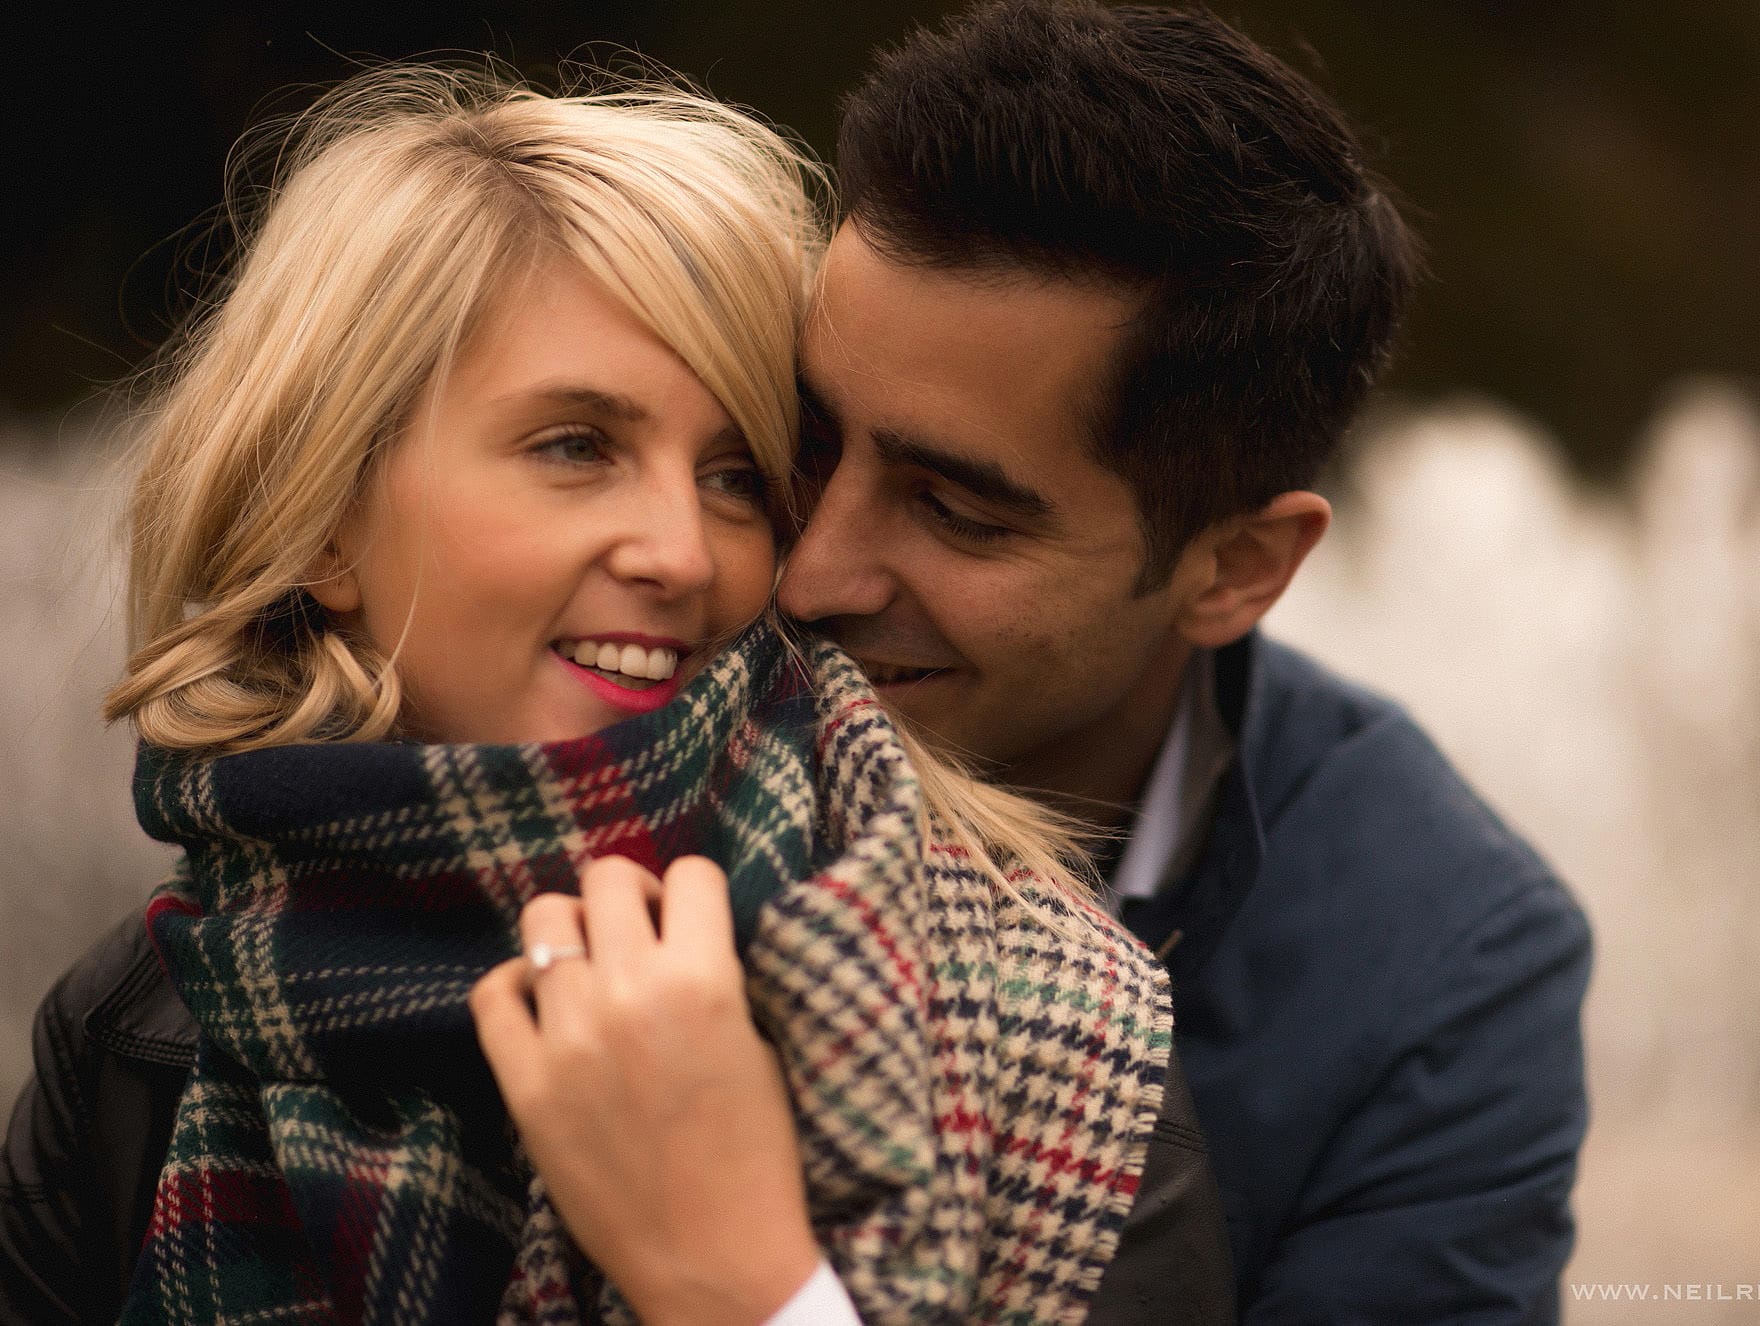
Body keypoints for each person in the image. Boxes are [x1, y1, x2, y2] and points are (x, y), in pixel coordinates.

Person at [0, 65, 1233, 1325]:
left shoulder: (1044, 1046)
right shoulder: (145, 1029)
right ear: (318, 514)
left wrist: (745, 1283)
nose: (682, 555)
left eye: (736, 475)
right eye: (575, 447)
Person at [776, 2, 1594, 1320]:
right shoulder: (615, 677)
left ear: (1236, 570)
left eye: (955, 510)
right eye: (804, 439)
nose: (807, 577)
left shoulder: (1438, 979)